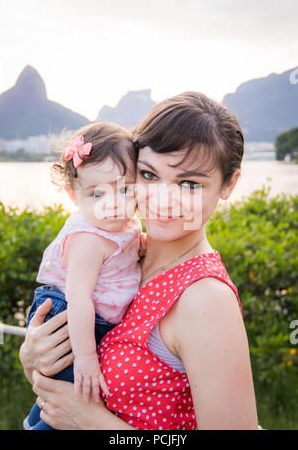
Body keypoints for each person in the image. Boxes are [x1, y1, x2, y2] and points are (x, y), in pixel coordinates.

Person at [20, 91, 259, 430]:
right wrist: (30, 356)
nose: (161, 198)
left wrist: (92, 422)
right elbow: (61, 388)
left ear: (228, 184)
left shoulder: (205, 300)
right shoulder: (123, 256)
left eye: (189, 183)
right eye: (148, 175)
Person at [23, 122, 143, 430]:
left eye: (125, 189)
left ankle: (33, 422)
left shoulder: (122, 225)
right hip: (71, 316)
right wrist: (86, 357)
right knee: (71, 401)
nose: (113, 202)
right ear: (73, 195)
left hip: (88, 318)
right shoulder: (89, 240)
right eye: (97, 193)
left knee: (56, 399)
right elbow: (78, 297)